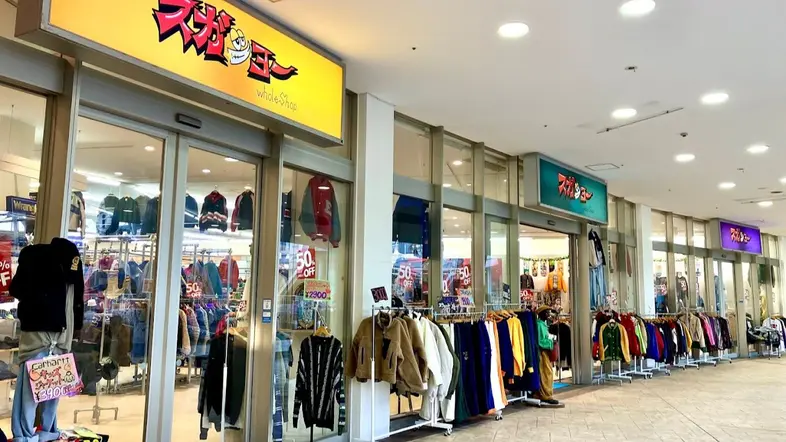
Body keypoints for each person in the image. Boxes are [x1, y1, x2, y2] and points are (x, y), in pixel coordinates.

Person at [534, 305, 561, 406]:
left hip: (545, 352)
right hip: (542, 352)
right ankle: (546, 395)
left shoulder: (542, 324)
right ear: (542, 314)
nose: (548, 314)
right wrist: (551, 342)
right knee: (546, 373)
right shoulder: (539, 325)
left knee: (546, 372)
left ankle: (544, 393)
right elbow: (540, 341)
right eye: (547, 312)